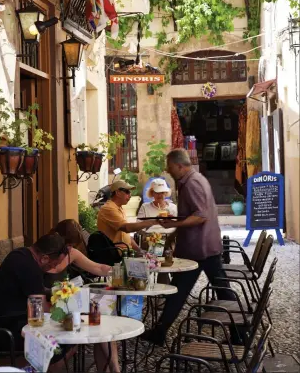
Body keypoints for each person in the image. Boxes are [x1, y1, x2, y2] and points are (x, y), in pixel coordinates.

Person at [142, 148, 236, 346]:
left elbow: (200, 216)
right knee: (189, 290)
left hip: (198, 249)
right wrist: (176, 229)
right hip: (205, 247)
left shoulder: (192, 182)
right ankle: (240, 332)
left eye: (170, 168)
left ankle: (240, 331)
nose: (169, 172)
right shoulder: (195, 179)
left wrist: (174, 225)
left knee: (182, 290)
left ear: (179, 166)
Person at [0, 232, 110, 370]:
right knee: (64, 343)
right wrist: (68, 315)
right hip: (5, 332)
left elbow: (35, 294)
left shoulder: (21, 254)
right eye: (54, 264)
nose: (53, 268)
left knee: (68, 336)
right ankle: (38, 368)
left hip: (4, 323)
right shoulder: (29, 267)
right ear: (44, 258)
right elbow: (41, 310)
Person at [45, 219, 119, 373]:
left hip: (66, 302)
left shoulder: (71, 253)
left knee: (99, 317)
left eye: (72, 245)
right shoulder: (46, 252)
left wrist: (118, 271)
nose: (70, 248)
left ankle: (113, 368)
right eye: (69, 244)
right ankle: (114, 368)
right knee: (98, 318)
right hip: (51, 305)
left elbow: (98, 267)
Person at [97, 180, 159, 252]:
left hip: (124, 252)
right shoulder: (109, 209)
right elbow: (127, 228)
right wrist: (151, 222)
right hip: (115, 254)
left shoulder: (119, 208)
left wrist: (140, 250)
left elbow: (126, 236)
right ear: (118, 192)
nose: (130, 195)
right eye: (127, 192)